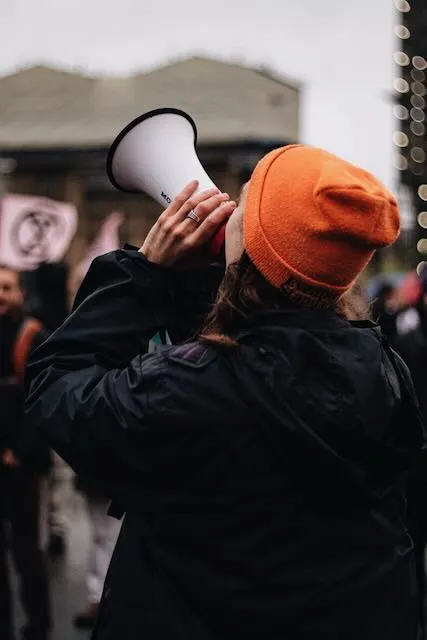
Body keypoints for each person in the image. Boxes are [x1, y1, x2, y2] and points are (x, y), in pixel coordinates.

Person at [20, 146, 425, 639]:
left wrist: (144, 271)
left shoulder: (190, 389)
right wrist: (213, 283)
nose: (229, 209)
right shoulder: (385, 369)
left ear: (256, 243)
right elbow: (257, 357)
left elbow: (58, 385)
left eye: (247, 203)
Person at [0, 265, 51, 640]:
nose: (0, 295)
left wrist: (20, 452)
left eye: (7, 288)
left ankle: (38, 627)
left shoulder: (34, 336)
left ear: (20, 293)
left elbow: (44, 401)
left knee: (26, 552)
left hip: (20, 466)